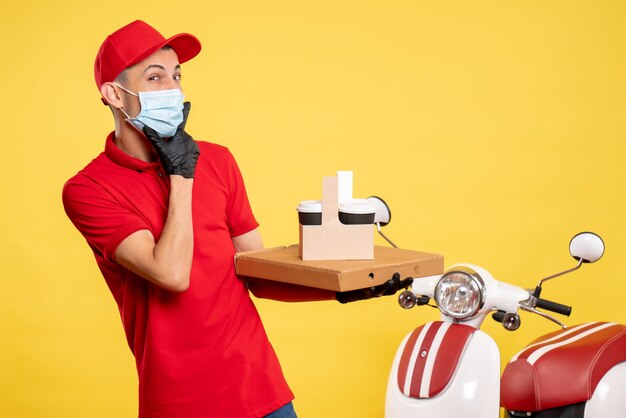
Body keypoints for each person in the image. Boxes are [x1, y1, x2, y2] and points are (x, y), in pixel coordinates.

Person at [62, 20, 411, 418]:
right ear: (113, 94)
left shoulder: (218, 160)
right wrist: (181, 174)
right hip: (179, 402)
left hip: (260, 388)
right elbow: (172, 274)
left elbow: (257, 271)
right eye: (154, 77)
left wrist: (342, 288)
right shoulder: (89, 189)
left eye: (177, 76)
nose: (172, 89)